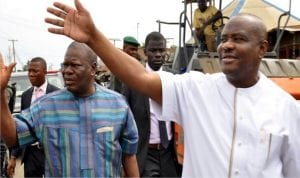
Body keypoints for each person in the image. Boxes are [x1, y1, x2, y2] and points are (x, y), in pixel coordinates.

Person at [45, 1, 300, 177]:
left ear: (262, 48)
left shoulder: (286, 107)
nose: (226, 46)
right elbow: (139, 77)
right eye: (223, 39)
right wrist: (93, 38)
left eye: (239, 39)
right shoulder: (196, 89)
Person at [0, 41, 139, 177]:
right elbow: (13, 138)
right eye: (65, 65)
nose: (67, 71)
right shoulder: (45, 107)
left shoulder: (118, 105)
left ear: (93, 68)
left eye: (74, 65)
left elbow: (129, 156)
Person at [121, 31, 180, 177]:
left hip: (169, 153)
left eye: (161, 50)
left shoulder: (174, 78)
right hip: (145, 153)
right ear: (145, 52)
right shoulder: (132, 80)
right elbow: (123, 118)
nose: (158, 54)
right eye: (153, 50)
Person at [7, 57, 60, 178]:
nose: (31, 74)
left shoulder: (57, 94)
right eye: (29, 71)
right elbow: (20, 128)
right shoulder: (26, 96)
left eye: (35, 71)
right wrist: (14, 156)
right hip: (30, 154)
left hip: (50, 154)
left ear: (45, 72)